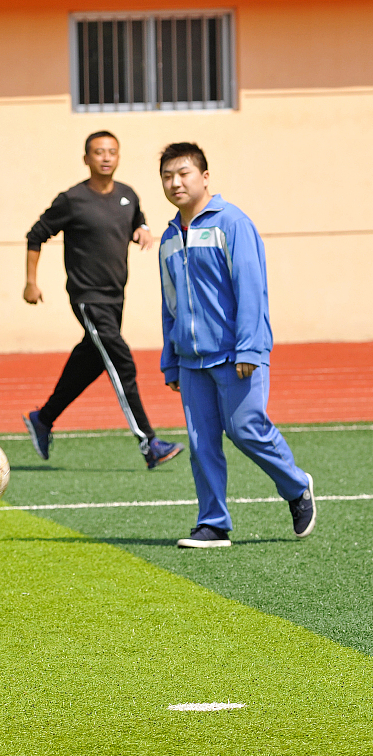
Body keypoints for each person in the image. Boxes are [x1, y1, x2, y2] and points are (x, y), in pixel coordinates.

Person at [156, 142, 316, 548]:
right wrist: (170, 359)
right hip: (192, 360)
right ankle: (213, 523)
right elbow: (170, 303)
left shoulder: (233, 224)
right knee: (200, 444)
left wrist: (249, 347)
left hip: (235, 353)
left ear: (205, 177)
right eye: (167, 176)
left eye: (183, 173)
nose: (175, 183)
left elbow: (252, 288)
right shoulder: (170, 237)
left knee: (246, 430)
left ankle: (296, 486)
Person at [22, 131, 184, 470]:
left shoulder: (128, 195)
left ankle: (44, 418)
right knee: (121, 361)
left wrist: (141, 228)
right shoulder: (72, 200)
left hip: (115, 297)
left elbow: (136, 220)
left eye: (112, 151)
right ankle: (149, 443)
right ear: (87, 159)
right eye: (99, 152)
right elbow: (36, 235)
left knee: (92, 360)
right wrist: (31, 283)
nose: (106, 157)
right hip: (87, 298)